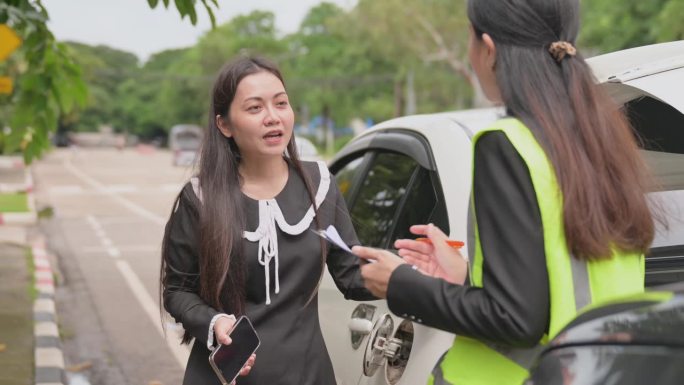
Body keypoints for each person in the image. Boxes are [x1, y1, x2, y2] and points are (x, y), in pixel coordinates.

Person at [353, 1, 657, 384]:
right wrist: (465, 276)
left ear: (488, 47)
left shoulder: (507, 144)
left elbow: (515, 319)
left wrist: (400, 283)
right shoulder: (602, 137)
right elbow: (562, 281)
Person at [160, 56, 374, 385]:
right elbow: (177, 290)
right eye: (255, 108)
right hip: (224, 375)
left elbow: (351, 275)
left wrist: (411, 273)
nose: (273, 117)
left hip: (307, 373)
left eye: (281, 103)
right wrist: (214, 323)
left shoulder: (320, 184)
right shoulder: (199, 197)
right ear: (225, 125)